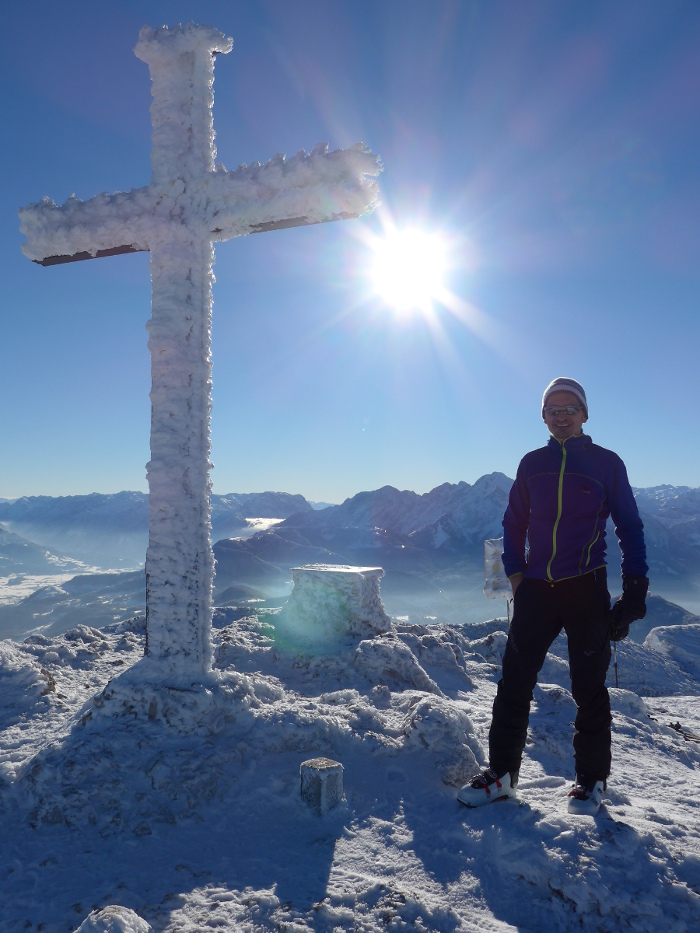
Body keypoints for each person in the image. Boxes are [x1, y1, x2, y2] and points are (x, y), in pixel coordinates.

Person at [458, 377, 648, 814]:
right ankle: (502, 776)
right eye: (553, 409)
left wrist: (635, 588)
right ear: (543, 415)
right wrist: (516, 574)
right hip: (537, 589)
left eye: (570, 408)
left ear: (584, 414)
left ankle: (591, 782)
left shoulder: (607, 464)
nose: (561, 415)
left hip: (586, 586)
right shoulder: (532, 464)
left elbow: (630, 527)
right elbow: (513, 523)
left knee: (589, 685)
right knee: (514, 683)